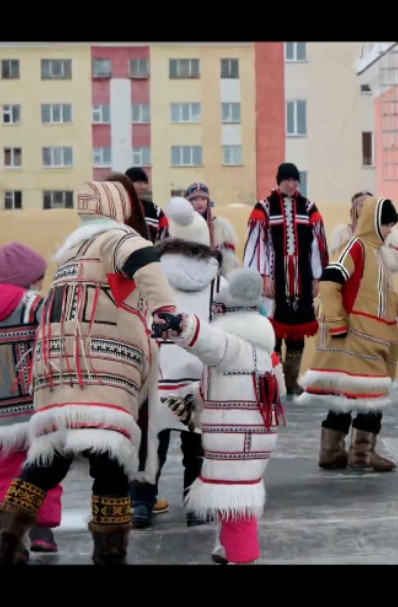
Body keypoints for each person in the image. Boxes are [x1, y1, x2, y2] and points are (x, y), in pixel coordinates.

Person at [0, 178, 178, 565]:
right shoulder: (117, 239)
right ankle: (110, 555)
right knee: (110, 467)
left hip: (58, 377)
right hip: (102, 377)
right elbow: (146, 264)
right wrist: (166, 312)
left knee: (47, 461)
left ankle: (6, 539)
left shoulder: (72, 251)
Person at [154, 268, 284, 565]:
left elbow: (210, 342)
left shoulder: (235, 344)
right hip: (246, 437)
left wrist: (182, 326)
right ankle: (226, 549)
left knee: (236, 504)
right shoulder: (263, 352)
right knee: (234, 498)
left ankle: (242, 558)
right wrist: (192, 397)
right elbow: (230, 387)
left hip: (236, 439)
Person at [298, 197, 398, 472]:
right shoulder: (356, 247)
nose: (389, 231)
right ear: (374, 222)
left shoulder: (376, 254)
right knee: (370, 393)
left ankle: (333, 451)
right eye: (386, 224)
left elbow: (387, 297)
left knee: (348, 393)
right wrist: (336, 321)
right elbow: (330, 281)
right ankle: (360, 454)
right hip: (358, 337)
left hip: (372, 337)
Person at [130, 197, 228, 529]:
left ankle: (141, 503)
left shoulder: (151, 278)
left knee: (151, 439)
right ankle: (196, 504)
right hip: (199, 375)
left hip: (157, 372)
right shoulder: (218, 283)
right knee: (197, 442)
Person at [243, 163, 328, 396]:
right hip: (274, 276)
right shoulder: (264, 207)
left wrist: (317, 278)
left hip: (301, 278)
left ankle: (292, 380)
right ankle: (274, 380)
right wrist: (263, 277)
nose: (292, 184)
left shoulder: (308, 208)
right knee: (272, 331)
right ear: (279, 181)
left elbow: (316, 245)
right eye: (287, 180)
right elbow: (256, 243)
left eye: (295, 180)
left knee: (297, 329)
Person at [0, 243, 62, 559]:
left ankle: (9, 535)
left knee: (5, 473)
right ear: (31, 278)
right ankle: (43, 532)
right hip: (36, 405)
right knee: (44, 467)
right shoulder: (36, 305)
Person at [183, 182, 240, 277]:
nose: (199, 202)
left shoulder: (221, 226)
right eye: (195, 199)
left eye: (203, 199)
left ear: (208, 202)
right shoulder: (182, 228)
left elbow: (230, 260)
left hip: (217, 278)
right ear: (188, 202)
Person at [125, 167, 169, 243]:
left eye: (145, 183)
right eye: (139, 182)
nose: (143, 187)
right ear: (127, 183)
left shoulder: (155, 211)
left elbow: (164, 239)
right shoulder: (117, 209)